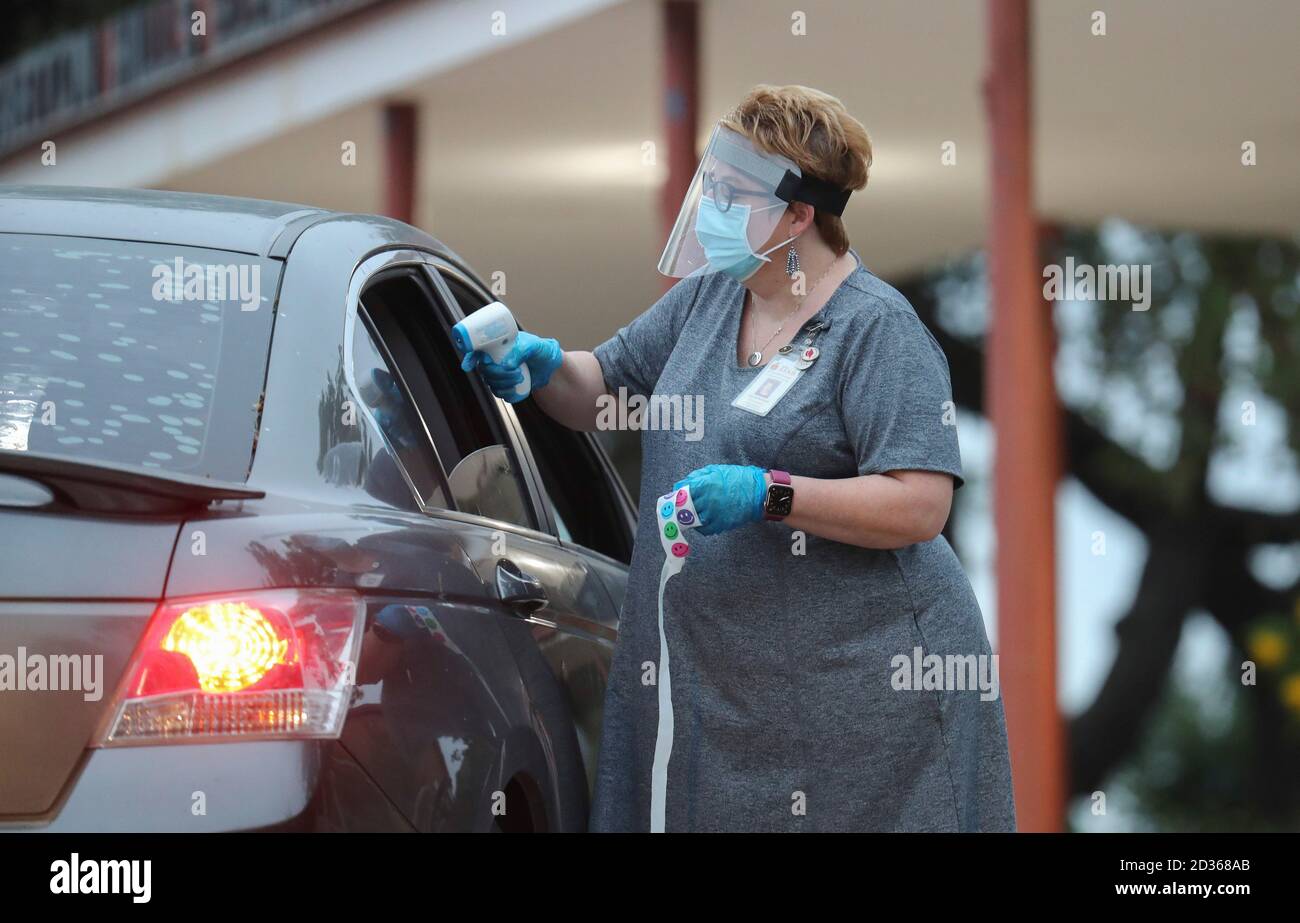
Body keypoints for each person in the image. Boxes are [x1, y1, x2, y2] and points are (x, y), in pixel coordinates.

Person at [460, 84, 1016, 832]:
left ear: (797, 214)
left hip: (868, 696)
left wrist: (771, 493)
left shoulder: (878, 330)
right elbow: (602, 390)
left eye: (731, 192)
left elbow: (920, 504)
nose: (711, 206)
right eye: (710, 187)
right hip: (730, 685)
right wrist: (540, 366)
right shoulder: (710, 297)